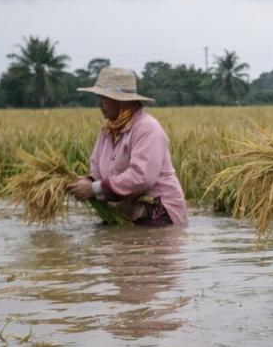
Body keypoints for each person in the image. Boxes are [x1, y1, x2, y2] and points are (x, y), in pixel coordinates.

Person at [67, 67, 188, 227]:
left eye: (104, 99)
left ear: (122, 101)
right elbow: (97, 171)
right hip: (127, 213)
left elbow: (141, 178)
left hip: (159, 214)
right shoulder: (107, 131)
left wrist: (94, 189)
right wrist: (82, 182)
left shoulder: (146, 127)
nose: (100, 105)